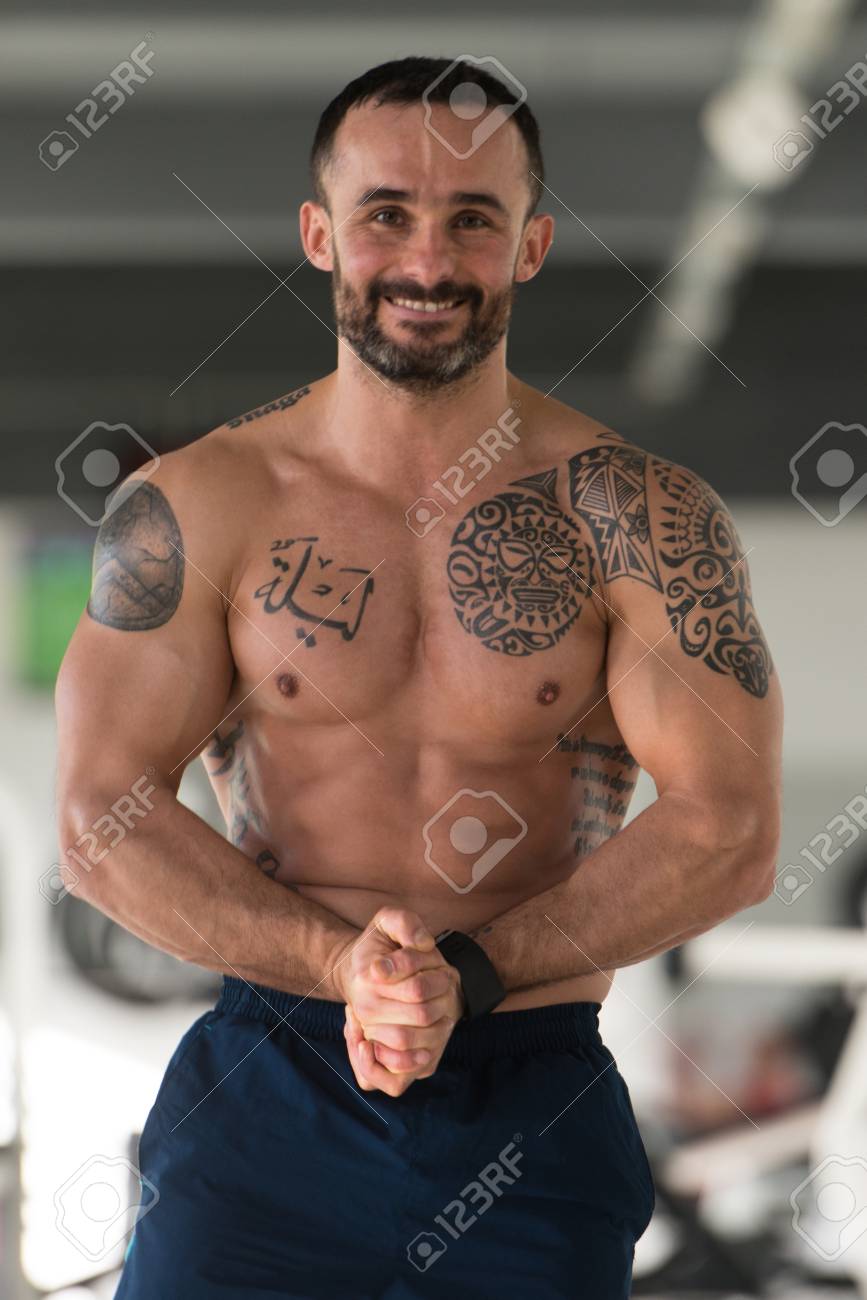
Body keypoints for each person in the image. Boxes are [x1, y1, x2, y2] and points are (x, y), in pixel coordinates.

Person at [55, 55, 783, 1300]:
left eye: (474, 220)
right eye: (387, 212)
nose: (429, 261)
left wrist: (472, 975)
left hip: (532, 1090)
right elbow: (97, 816)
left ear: (534, 244)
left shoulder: (637, 515)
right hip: (266, 1086)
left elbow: (734, 830)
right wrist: (348, 971)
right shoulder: (199, 506)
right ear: (319, 234)